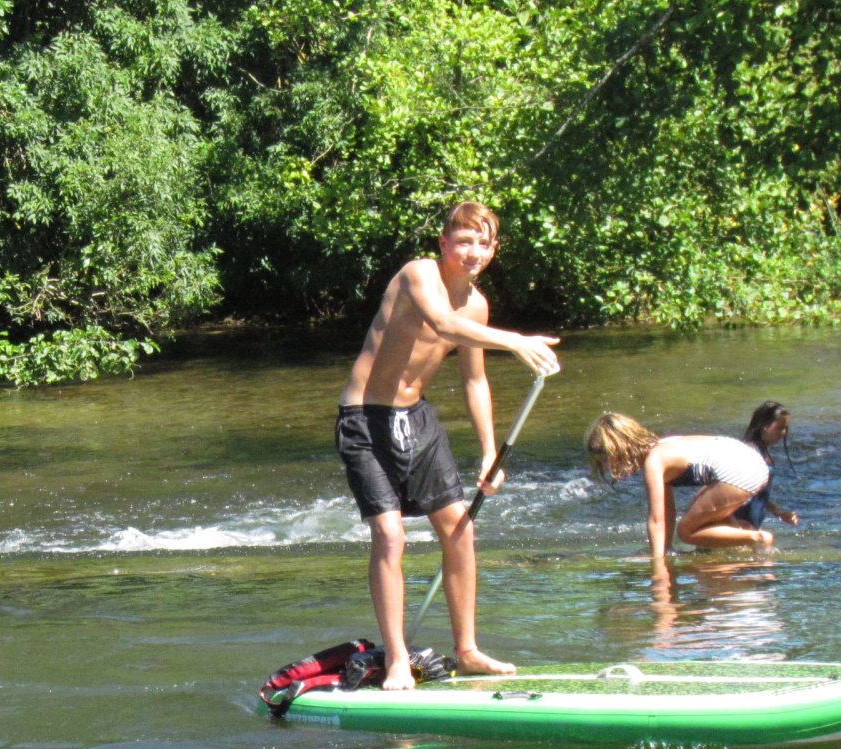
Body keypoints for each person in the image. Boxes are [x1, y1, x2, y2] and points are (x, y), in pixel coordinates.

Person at [336, 201, 561, 686]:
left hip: (416, 418)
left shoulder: (477, 305)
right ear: (443, 243)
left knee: (460, 527)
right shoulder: (418, 275)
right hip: (365, 419)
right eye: (463, 241)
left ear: (494, 249)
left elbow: (475, 382)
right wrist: (516, 341)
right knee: (391, 535)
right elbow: (441, 324)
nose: (473, 252)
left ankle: (468, 649)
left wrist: (489, 453)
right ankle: (397, 658)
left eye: (483, 243)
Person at [584, 413, 774, 560]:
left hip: (740, 471)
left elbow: (656, 520)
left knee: (687, 531)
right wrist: (666, 549)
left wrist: (657, 561)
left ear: (619, 449)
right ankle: (743, 542)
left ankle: (757, 539)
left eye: (606, 460)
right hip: (750, 463)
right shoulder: (660, 448)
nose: (607, 468)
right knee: (704, 526)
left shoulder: (654, 462)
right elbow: (667, 511)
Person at [738, 400, 799, 530]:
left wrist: (779, 512)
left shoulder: (761, 451)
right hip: (739, 525)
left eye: (786, 428)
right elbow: (732, 494)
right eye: (780, 428)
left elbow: (757, 494)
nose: (783, 433)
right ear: (764, 426)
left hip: (748, 526)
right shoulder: (748, 453)